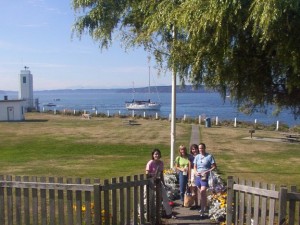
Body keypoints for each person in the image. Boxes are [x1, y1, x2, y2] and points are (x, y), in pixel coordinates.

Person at [145, 149, 173, 218]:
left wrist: (163, 183)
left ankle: (168, 213)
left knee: (164, 197)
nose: (156, 155)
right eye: (155, 154)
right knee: (149, 198)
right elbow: (147, 173)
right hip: (151, 182)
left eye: (158, 154)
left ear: (160, 155)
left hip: (158, 182)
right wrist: (151, 180)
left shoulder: (161, 163)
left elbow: (161, 174)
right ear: (153, 155)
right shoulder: (150, 162)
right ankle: (147, 213)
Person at [194, 143, 217, 219]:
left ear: (205, 148)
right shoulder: (197, 157)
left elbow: (214, 166)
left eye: (202, 148)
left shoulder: (209, 156)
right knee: (201, 194)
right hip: (198, 176)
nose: (201, 150)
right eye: (199, 148)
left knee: (203, 191)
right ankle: (205, 207)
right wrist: (196, 172)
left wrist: (207, 171)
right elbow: (194, 167)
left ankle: (202, 210)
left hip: (205, 176)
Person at [188, 143, 199, 210]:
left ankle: (201, 204)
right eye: (192, 149)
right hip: (192, 172)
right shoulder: (190, 157)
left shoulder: (200, 156)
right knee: (193, 188)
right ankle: (195, 204)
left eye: (195, 149)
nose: (194, 150)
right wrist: (189, 177)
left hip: (199, 172)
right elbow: (189, 167)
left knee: (199, 189)